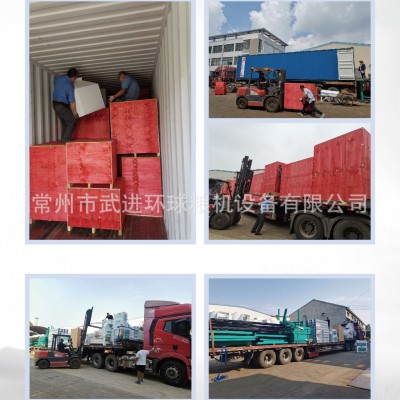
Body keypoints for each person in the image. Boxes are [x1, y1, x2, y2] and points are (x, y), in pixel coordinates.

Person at [52, 67, 79, 143]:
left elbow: (54, 83)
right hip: (62, 105)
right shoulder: (70, 87)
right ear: (73, 77)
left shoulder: (58, 79)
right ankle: (66, 139)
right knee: (72, 122)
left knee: (64, 123)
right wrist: (75, 114)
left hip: (55, 104)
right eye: (75, 79)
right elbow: (72, 103)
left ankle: (64, 140)